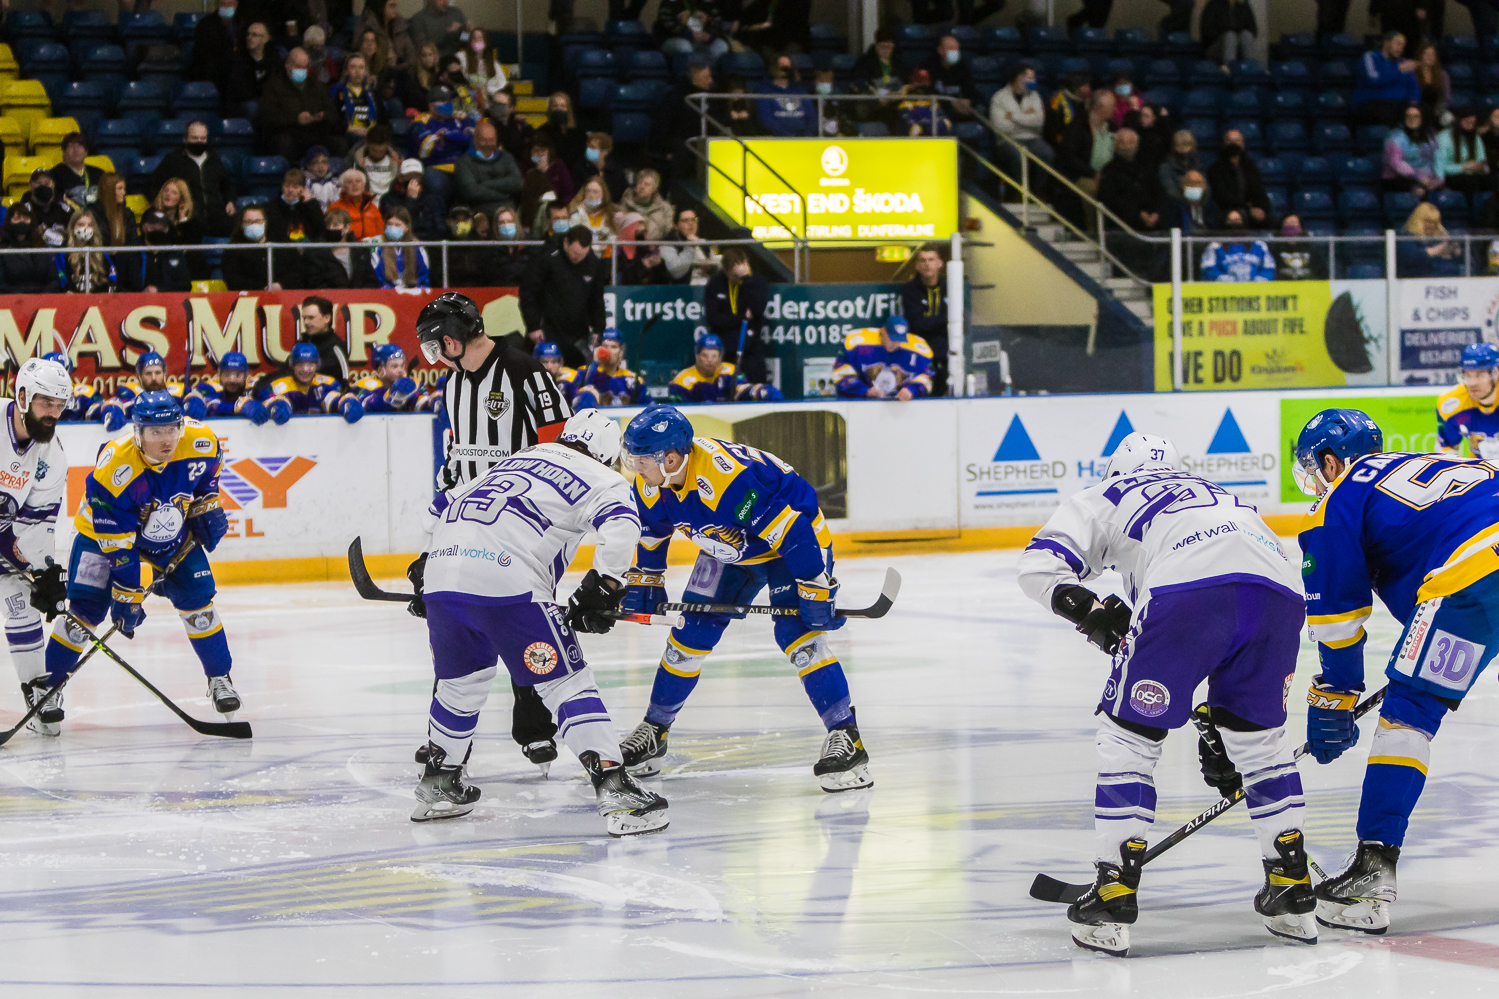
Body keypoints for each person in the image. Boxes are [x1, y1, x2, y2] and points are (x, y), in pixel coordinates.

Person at [1018, 431, 1313, 956]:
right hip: (1279, 596)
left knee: (1128, 735)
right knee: (1261, 745)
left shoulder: (1106, 494)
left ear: (1117, 469)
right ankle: (1291, 885)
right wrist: (1219, 720)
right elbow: (1233, 596)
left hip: (1187, 592)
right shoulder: (1222, 495)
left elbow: (1039, 568)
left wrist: (1091, 613)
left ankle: (1112, 893)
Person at [405, 406, 668, 834]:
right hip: (510, 583)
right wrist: (606, 585)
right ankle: (615, 788)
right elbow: (621, 524)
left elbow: (440, 505)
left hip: (443, 575)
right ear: (605, 454)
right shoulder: (603, 478)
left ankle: (440, 781)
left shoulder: (516, 458)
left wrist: (423, 565)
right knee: (566, 681)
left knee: (460, 684)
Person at [1293, 406, 1499, 936]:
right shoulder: (1431, 460)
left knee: (1409, 713)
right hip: (1482, 552)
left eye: (1315, 467)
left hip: (1473, 572)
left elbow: (1338, 618)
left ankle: (1371, 872)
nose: (1315, 480)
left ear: (1332, 461)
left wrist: (1335, 696)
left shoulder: (1339, 498)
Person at [616, 403, 872, 792]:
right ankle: (655, 730)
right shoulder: (652, 482)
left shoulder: (724, 481)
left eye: (640, 460)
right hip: (730, 546)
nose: (635, 468)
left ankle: (846, 737)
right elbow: (652, 532)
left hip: (791, 545)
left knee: (797, 634)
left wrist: (816, 589)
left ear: (670, 458)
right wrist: (647, 581)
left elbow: (793, 533)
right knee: (689, 634)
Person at [410, 293, 571, 773]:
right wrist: (435, 529)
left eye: (436, 344)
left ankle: (534, 723)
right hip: (470, 518)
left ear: (453, 338)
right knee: (453, 620)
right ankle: (448, 736)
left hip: (524, 523)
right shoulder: (454, 384)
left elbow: (559, 444)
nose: (434, 355)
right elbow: (459, 454)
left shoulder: (525, 372)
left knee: (516, 617)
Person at [41, 391, 241, 726]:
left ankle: (220, 677)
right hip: (103, 538)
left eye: (172, 429)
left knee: (197, 600)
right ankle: (47, 688)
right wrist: (127, 595)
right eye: (155, 432)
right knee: (86, 611)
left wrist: (207, 504)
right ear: (138, 432)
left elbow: (208, 480)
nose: (166, 440)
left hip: (169, 532)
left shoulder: (202, 442)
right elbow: (120, 550)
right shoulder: (114, 470)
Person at [0, 358, 70, 737]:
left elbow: (36, 525)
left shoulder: (52, 457)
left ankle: (37, 688)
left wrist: (41, 572)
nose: (53, 414)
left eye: (60, 405)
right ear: (22, 395)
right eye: (46, 403)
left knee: (23, 599)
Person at [520, 226, 607, 367]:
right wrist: (533, 325)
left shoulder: (593, 264)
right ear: (566, 242)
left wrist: (598, 328)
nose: (577, 259)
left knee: (576, 377)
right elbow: (529, 292)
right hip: (548, 331)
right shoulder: (547, 258)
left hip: (578, 334)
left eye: (582, 255)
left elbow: (596, 299)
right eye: (574, 254)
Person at [258, 47, 347, 160]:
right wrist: (296, 119)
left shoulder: (317, 87)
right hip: (289, 135)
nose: (301, 70)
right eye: (297, 66)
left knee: (339, 144)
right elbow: (267, 116)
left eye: (304, 67)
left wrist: (321, 117)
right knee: (283, 144)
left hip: (315, 134)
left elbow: (333, 114)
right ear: (287, 64)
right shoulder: (273, 86)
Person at [703, 248, 770, 382]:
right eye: (733, 275)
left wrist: (746, 280)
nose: (736, 278)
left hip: (750, 349)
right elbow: (713, 319)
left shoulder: (757, 282)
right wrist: (741, 318)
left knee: (756, 389)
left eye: (739, 275)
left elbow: (757, 308)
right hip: (725, 350)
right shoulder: (715, 284)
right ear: (725, 270)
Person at [833, 314, 934, 400]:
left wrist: (911, 389)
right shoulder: (858, 345)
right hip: (859, 406)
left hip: (899, 410)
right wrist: (865, 390)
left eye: (899, 340)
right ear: (883, 331)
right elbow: (840, 374)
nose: (895, 344)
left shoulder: (917, 350)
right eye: (892, 339)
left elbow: (927, 377)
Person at [260, 342, 364, 425]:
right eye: (300, 364)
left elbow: (332, 399)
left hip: (320, 439)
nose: (305, 369)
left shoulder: (327, 383)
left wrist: (345, 403)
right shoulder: (277, 386)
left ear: (317, 365)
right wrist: (275, 405)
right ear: (292, 365)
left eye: (310, 364)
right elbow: (264, 399)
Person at [100, 351, 203, 430]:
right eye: (148, 374)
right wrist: (111, 408)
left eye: (158, 373)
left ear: (165, 374)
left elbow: (206, 403)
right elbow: (118, 405)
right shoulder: (128, 391)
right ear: (139, 376)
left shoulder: (181, 390)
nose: (154, 378)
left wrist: (197, 399)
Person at [991, 64, 1054, 191]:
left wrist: (1013, 116)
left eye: (1033, 77)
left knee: (1048, 154)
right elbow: (1000, 126)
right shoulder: (999, 97)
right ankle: (1018, 192)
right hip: (1008, 140)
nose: (1032, 80)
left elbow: (1039, 121)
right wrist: (1026, 119)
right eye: (1028, 77)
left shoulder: (1035, 96)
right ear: (1018, 78)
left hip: (1033, 138)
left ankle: (1038, 192)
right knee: (1018, 157)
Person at [668, 334, 781, 403]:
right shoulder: (682, 381)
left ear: (720, 357)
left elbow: (742, 390)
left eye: (714, 356)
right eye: (705, 355)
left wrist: (760, 391)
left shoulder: (730, 372)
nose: (710, 360)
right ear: (697, 356)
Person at [1436, 342, 1499, 458]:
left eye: (1479, 375)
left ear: (1495, 373)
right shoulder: (1452, 404)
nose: (1472, 383)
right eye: (1468, 375)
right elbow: (1444, 457)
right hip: (1480, 472)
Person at [900, 246, 949, 397]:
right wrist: (944, 321)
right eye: (923, 260)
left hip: (946, 356)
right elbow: (917, 324)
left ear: (940, 263)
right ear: (917, 265)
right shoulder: (909, 290)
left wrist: (934, 323)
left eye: (931, 260)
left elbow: (960, 321)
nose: (927, 264)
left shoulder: (950, 287)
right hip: (918, 355)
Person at [453, 119, 523, 217]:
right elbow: (470, 192)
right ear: (475, 141)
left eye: (491, 140)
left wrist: (484, 184)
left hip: (507, 213)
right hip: (477, 212)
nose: (488, 144)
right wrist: (505, 194)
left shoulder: (506, 157)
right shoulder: (463, 162)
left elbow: (517, 182)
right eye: (484, 140)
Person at [1354, 32, 1421, 127]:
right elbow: (1374, 79)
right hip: (1373, 102)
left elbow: (1414, 87)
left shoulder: (1403, 63)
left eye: (1403, 45)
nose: (1400, 48)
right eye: (1398, 43)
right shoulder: (1370, 56)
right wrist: (1398, 70)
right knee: (1391, 114)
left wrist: (1413, 104)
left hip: (1399, 104)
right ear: (1387, 43)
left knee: (1421, 113)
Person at [1207, 129, 1271, 226]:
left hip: (1250, 212)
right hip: (1226, 212)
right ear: (1224, 144)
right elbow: (1221, 197)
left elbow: (1259, 192)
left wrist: (1261, 209)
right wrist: (1248, 208)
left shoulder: (1250, 167)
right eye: (1230, 141)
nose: (1234, 144)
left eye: (1237, 141)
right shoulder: (1215, 169)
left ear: (1243, 144)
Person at [354, 207, 430, 288]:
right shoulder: (377, 246)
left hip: (412, 295)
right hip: (385, 295)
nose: (393, 227)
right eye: (389, 224)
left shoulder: (417, 247)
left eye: (397, 225)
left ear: (407, 227)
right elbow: (377, 278)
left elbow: (423, 278)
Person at [191, 351, 270, 423]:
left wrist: (276, 406)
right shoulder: (208, 386)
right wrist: (239, 406)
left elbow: (270, 399)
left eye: (238, 375)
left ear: (247, 375)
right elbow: (211, 408)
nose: (232, 380)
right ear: (219, 374)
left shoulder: (258, 385)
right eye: (226, 374)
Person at [570, 329, 640, 410]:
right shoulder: (584, 372)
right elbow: (577, 399)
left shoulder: (631, 379)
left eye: (613, 347)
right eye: (605, 346)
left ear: (621, 351)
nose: (608, 351)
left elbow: (646, 408)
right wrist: (594, 363)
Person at [518, 137, 575, 232]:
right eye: (536, 150)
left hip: (554, 208)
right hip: (529, 208)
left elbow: (568, 191)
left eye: (543, 150)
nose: (539, 154)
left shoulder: (559, 166)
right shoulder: (524, 167)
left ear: (549, 151)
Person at [379, 162, 445, 242]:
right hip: (401, 242)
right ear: (401, 178)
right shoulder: (389, 199)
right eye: (410, 176)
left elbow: (440, 230)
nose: (414, 180)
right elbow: (395, 226)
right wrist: (411, 200)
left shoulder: (433, 199)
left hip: (427, 243)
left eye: (416, 176)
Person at [222, 204, 280, 292]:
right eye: (248, 222)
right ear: (241, 225)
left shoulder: (278, 245)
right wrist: (262, 288)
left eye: (257, 221)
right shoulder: (233, 249)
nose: (253, 225)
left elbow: (294, 272)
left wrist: (281, 285)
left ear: (265, 222)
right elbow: (233, 279)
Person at [56, 211, 118, 293]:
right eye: (81, 224)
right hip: (71, 302)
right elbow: (60, 281)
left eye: (90, 225)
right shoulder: (62, 255)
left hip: (98, 302)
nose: (86, 228)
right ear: (72, 227)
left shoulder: (101, 254)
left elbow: (112, 281)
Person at [0, 204, 56, 294]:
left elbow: (54, 280)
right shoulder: (2, 249)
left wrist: (41, 296)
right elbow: (2, 284)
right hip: (13, 301)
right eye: (17, 218)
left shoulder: (42, 247)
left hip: (43, 301)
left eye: (26, 218)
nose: (22, 221)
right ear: (9, 221)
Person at [296, 296, 351, 384]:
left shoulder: (336, 348)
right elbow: (284, 372)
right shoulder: (301, 344)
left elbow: (344, 382)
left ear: (327, 318)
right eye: (304, 318)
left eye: (311, 318)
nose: (306, 322)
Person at [135, 209, 194, 292]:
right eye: (152, 226)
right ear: (144, 227)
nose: (157, 229)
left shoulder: (175, 253)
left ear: (166, 229)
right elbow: (121, 286)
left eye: (160, 227)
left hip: (168, 301)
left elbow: (185, 286)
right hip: (136, 301)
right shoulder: (132, 251)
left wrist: (159, 291)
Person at [352, 344, 422, 412]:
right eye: (395, 366)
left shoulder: (411, 383)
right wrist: (391, 396)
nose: (400, 370)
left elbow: (423, 402)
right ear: (380, 371)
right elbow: (367, 405)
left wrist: (431, 402)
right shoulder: (364, 386)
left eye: (402, 365)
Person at [332, 53, 383, 146]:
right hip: (350, 135)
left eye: (361, 67)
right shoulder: (338, 92)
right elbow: (334, 121)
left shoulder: (374, 93)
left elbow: (382, 119)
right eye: (353, 67)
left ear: (366, 71)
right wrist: (349, 128)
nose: (358, 71)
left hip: (372, 134)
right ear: (346, 71)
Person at [1200, 219, 1276, 281]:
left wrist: (1262, 278)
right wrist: (1220, 278)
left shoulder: (1259, 245)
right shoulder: (1215, 246)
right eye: (1231, 221)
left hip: (1255, 292)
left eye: (1238, 221)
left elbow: (1269, 268)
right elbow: (1207, 268)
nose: (1235, 227)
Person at [921, 34, 976, 119]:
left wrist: (968, 99)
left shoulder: (963, 67)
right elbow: (927, 93)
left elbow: (969, 89)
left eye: (957, 48)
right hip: (936, 112)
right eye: (951, 48)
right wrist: (951, 103)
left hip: (959, 111)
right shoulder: (928, 67)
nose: (955, 52)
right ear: (940, 50)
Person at [1437, 107, 1487, 199]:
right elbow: (1440, 167)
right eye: (1467, 122)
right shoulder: (1444, 138)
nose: (1470, 126)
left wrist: (1481, 167)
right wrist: (1463, 167)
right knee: (1469, 181)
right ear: (1457, 121)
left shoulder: (1476, 138)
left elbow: (1482, 161)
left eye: (1472, 123)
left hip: (1472, 174)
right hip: (1450, 177)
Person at [660, 207, 718, 285]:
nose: (691, 223)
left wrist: (711, 268)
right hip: (681, 289)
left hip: (705, 287)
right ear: (676, 225)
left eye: (693, 220)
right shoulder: (668, 244)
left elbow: (716, 266)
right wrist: (690, 247)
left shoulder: (703, 243)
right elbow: (676, 273)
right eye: (685, 221)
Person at [49, 133, 103, 212]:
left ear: (86, 152)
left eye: (80, 146)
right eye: (71, 146)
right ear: (64, 153)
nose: (76, 149)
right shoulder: (54, 175)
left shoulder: (98, 174)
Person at [349, 122, 403, 199]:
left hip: (390, 200)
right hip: (363, 199)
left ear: (387, 145)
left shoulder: (398, 159)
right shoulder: (355, 157)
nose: (378, 154)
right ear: (367, 144)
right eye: (374, 150)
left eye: (381, 151)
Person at [20, 170, 73, 246]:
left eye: (47, 183)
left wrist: (67, 234)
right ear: (31, 186)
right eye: (39, 183)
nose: (43, 186)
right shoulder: (23, 210)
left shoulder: (64, 209)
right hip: (34, 252)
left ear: (53, 185)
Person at [330, 168, 385, 241]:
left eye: (358, 181)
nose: (354, 185)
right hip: (348, 248)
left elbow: (381, 233)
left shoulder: (373, 208)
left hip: (371, 248)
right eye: (349, 182)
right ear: (343, 187)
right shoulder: (335, 208)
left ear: (363, 186)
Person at [361, 0, 416, 70]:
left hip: (399, 71)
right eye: (391, 6)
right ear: (381, 7)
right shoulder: (368, 26)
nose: (395, 9)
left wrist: (402, 67)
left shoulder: (399, 25)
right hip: (377, 71)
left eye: (395, 6)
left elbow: (411, 54)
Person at [566, 177, 618, 251]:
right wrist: (582, 215)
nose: (591, 195)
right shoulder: (576, 216)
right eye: (588, 191)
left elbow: (614, 240)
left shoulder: (611, 216)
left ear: (603, 194)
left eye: (595, 192)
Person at [1201, 0, 1258, 66]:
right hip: (1216, 45)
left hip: (1237, 43)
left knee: (1246, 35)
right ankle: (1229, 68)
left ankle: (1249, 67)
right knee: (1230, 36)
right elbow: (1207, 31)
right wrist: (1225, 32)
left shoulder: (1243, 5)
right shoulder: (1214, 4)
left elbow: (1253, 29)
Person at [1045, 71, 1091, 152]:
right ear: (1076, 87)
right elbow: (1053, 128)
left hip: (1078, 139)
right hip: (1062, 140)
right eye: (1085, 86)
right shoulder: (1057, 100)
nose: (1088, 89)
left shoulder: (1087, 102)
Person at [455, 25, 505, 100]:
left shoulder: (493, 63)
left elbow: (502, 82)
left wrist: (488, 90)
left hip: (485, 99)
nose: (477, 40)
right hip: (466, 98)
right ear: (470, 41)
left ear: (485, 41)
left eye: (480, 38)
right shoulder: (461, 58)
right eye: (474, 38)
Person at [851, 26, 900, 96]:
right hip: (873, 99)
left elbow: (904, 81)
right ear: (877, 45)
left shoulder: (898, 62)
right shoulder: (865, 62)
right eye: (883, 46)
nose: (886, 50)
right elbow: (861, 81)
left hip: (896, 98)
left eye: (889, 47)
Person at [1159, 130, 1203, 205]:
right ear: (1174, 147)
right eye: (1180, 146)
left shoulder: (1198, 164)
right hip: (1176, 205)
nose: (1184, 149)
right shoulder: (1166, 167)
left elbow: (1205, 188)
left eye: (1187, 145)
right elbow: (1170, 191)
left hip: (1198, 203)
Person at [96, 173, 138, 249]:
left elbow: (132, 243)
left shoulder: (128, 215)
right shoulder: (94, 214)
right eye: (120, 188)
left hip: (124, 258)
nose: (123, 193)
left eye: (124, 189)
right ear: (109, 190)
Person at [1412, 42, 1450, 119]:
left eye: (1433, 54)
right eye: (1427, 54)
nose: (1430, 57)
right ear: (1421, 55)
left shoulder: (1442, 75)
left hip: (1437, 112)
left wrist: (1438, 112)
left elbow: (1446, 97)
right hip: (1417, 111)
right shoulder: (1413, 74)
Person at [302, 148, 340, 212]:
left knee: (329, 186)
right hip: (312, 216)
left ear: (328, 165)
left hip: (334, 217)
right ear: (308, 166)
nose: (321, 166)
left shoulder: (335, 182)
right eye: (316, 163)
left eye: (324, 162)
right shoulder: (305, 182)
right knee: (316, 187)